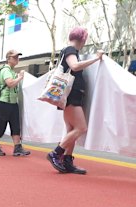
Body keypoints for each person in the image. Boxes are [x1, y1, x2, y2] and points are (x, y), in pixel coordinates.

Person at [46, 27, 104, 174]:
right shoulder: (70, 50)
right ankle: (56, 153)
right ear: (83, 39)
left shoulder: (69, 50)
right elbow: (75, 66)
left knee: (72, 129)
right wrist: (96, 58)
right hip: (72, 96)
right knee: (81, 128)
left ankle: (67, 160)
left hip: (69, 95)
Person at [0, 50, 31, 156]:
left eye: (18, 57)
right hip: (4, 102)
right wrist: (20, 77)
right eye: (14, 57)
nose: (17, 59)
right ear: (8, 58)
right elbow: (10, 83)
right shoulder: (6, 70)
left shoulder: (12, 71)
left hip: (12, 103)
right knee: (1, 125)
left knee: (15, 125)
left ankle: (17, 147)